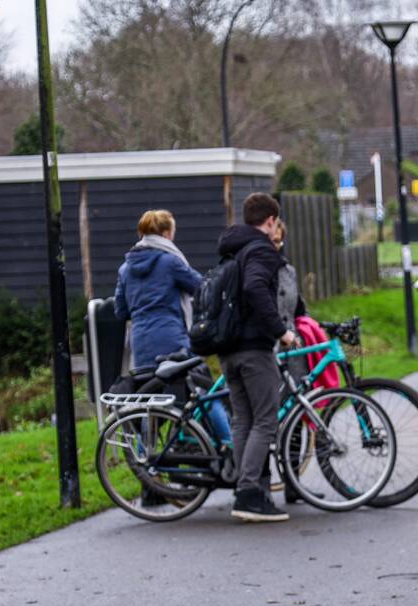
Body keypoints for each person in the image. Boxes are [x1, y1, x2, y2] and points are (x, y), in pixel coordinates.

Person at [114, 209, 231, 442]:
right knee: (204, 391)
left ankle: (145, 457)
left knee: (149, 403)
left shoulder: (125, 269)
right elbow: (201, 288)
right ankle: (230, 444)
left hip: (141, 346)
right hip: (173, 342)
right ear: (167, 233)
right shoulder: (170, 261)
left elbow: (121, 311)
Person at [218, 193, 295, 523]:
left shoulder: (233, 247)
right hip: (253, 348)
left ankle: (247, 489)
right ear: (271, 221)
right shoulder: (261, 249)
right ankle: (249, 492)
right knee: (266, 420)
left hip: (229, 348)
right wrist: (281, 331)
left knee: (243, 420)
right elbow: (254, 288)